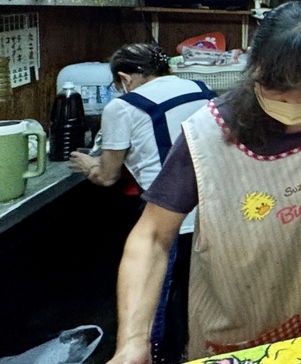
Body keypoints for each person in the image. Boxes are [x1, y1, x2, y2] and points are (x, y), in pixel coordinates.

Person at [108, 2, 301, 363]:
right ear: (254, 65)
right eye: (277, 87)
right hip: (245, 328)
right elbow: (151, 237)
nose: (294, 103)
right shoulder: (208, 136)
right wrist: (132, 341)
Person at [69, 43, 216, 364]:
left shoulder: (122, 107)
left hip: (167, 221)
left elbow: (107, 176)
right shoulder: (200, 89)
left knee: (153, 309)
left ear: (124, 78)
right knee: (201, 303)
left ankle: (157, 356)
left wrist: (88, 164)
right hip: (213, 215)